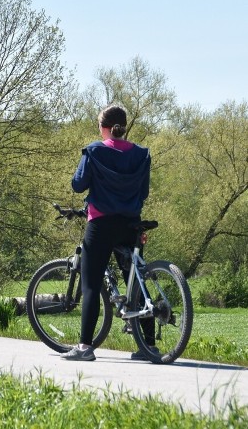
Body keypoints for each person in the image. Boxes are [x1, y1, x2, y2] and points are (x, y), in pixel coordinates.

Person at [61, 105, 153, 362]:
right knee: (136, 283)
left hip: (101, 224)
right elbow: (143, 192)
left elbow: (78, 185)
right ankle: (150, 346)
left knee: (90, 283)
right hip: (131, 224)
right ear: (124, 126)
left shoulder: (94, 151)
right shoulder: (142, 155)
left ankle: (84, 347)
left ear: (103, 127)